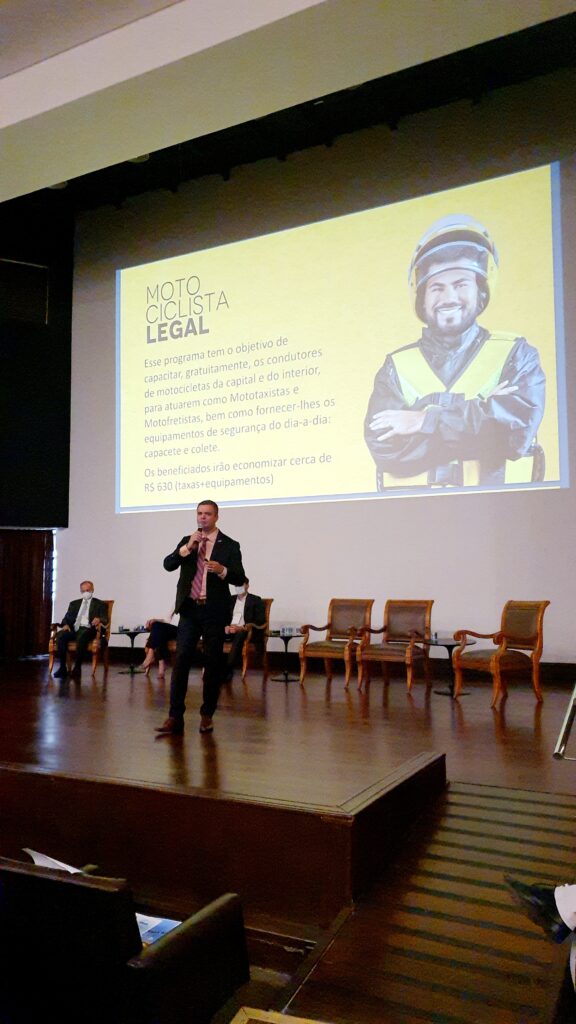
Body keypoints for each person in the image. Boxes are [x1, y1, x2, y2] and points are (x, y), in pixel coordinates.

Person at [364, 214, 546, 490]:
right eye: (437, 288)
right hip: (413, 514)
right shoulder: (396, 367)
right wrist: (482, 412)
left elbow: (514, 432)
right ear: (422, 298)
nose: (449, 298)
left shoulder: (515, 354)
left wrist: (424, 419)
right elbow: (385, 450)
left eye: (461, 284)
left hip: (499, 512)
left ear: (480, 291)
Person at [156, 499, 246, 736]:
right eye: (199, 513)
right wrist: (187, 548)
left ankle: (207, 715)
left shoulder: (230, 544)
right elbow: (168, 564)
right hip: (189, 609)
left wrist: (222, 570)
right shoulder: (189, 540)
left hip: (214, 611)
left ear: (216, 517)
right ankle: (175, 717)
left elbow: (239, 577)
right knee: (181, 660)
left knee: (212, 663)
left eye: (207, 513)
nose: (202, 517)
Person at [53, 580, 109, 679]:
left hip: (89, 629)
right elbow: (66, 618)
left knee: (83, 635)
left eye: (87, 590)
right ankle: (62, 668)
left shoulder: (99, 604)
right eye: (83, 591)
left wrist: (99, 619)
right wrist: (65, 624)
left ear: (92, 590)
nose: (85, 593)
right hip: (75, 629)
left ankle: (77, 667)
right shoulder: (74, 604)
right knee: (61, 636)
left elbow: (105, 619)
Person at [224, 578, 266, 681]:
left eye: (240, 585)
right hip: (231, 630)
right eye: (236, 585)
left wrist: (242, 627)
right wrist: (226, 626)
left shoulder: (255, 600)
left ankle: (228, 669)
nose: (238, 588)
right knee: (213, 633)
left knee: (240, 634)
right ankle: (212, 668)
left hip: (247, 631)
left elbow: (260, 620)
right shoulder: (231, 600)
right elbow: (224, 617)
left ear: (247, 586)